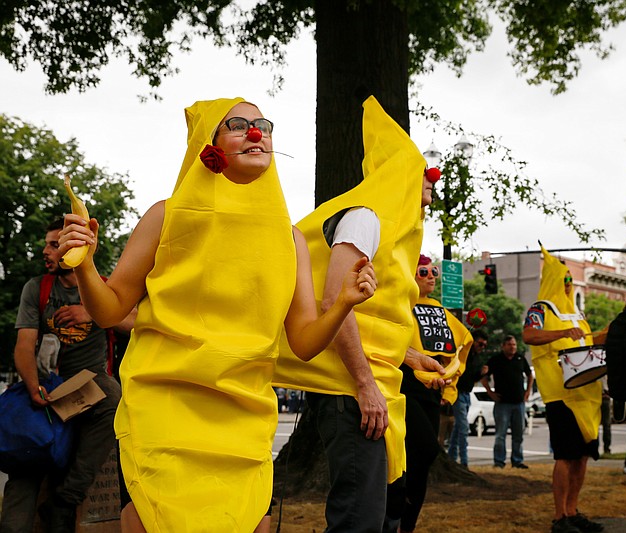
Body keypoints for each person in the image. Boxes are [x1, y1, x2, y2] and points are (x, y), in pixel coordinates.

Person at [58, 97, 378, 532]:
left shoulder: (291, 241)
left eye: (263, 125)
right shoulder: (166, 216)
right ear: (208, 146)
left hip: (243, 418)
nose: (256, 132)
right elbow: (111, 310)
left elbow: (302, 342)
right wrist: (85, 265)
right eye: (239, 124)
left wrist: (342, 303)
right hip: (162, 411)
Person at [272, 96, 444, 533]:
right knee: (360, 520)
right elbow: (335, 302)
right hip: (351, 389)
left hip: (376, 387)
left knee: (384, 512)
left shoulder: (396, 230)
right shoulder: (365, 218)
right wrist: (364, 386)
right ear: (401, 174)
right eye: (423, 173)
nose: (431, 184)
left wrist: (409, 357)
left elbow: (371, 316)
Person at [0, 219, 133, 533]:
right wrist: (33, 388)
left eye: (53, 244)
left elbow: (137, 321)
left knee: (111, 394)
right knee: (25, 461)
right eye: (48, 243)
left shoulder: (104, 284)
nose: (46, 251)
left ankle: (65, 501)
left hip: (87, 383)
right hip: (47, 386)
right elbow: (24, 345)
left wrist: (94, 310)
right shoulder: (38, 287)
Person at [522, 246, 604, 533]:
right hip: (560, 395)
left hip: (587, 396)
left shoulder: (578, 314)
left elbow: (590, 341)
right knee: (565, 456)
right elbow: (529, 335)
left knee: (582, 457)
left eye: (571, 279)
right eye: (564, 279)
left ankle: (573, 510)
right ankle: (560, 518)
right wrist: (562, 333)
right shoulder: (540, 309)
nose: (569, 284)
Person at [398, 254, 473, 533]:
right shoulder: (399, 304)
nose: (431, 276)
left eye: (434, 272)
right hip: (404, 385)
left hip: (432, 389)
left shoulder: (439, 309)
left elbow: (459, 347)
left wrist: (449, 385)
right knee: (426, 448)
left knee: (423, 461)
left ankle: (406, 525)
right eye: (423, 271)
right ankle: (393, 505)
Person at [480, 335, 533, 470]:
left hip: (518, 403)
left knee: (518, 435)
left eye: (514, 344)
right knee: (500, 435)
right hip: (502, 403)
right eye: (509, 344)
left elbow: (530, 375)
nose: (512, 347)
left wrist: (528, 391)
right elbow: (484, 377)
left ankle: (517, 460)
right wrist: (490, 393)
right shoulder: (496, 360)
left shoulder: (520, 359)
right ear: (503, 346)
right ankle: (499, 461)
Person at [448, 329, 488, 466]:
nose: (482, 347)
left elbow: (471, 377)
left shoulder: (477, 358)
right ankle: (463, 461)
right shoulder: (464, 353)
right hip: (458, 392)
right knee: (463, 428)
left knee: (458, 428)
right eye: (480, 344)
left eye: (484, 345)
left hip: (466, 393)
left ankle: (452, 457)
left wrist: (481, 374)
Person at [599, 376, 612, 455]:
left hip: (604, 396)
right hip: (599, 395)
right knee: (605, 425)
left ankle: (606, 448)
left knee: (606, 425)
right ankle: (605, 448)